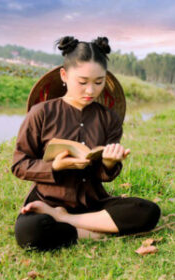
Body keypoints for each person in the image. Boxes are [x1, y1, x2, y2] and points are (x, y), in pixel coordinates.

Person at [12, 36, 161, 251]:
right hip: (48, 201)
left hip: (93, 203)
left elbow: (103, 175)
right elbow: (19, 165)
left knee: (148, 211)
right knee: (29, 232)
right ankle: (96, 230)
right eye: (82, 82)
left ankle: (65, 221)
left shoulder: (109, 119)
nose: (91, 91)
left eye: (98, 82)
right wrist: (54, 166)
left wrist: (109, 163)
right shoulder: (41, 113)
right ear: (64, 75)